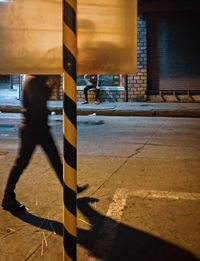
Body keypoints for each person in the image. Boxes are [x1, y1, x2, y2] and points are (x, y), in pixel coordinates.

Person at [1, 75, 88, 212]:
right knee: (21, 164)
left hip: (38, 127)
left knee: (55, 160)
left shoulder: (33, 78)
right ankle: (7, 199)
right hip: (33, 129)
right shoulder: (34, 80)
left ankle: (71, 188)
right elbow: (39, 102)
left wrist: (53, 83)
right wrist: (54, 84)